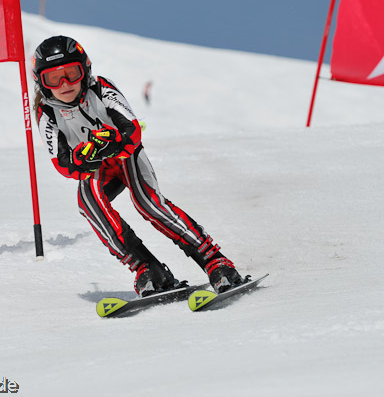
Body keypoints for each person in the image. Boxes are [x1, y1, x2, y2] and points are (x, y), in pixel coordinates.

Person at [32, 35, 244, 297]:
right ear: (41, 82)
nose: (64, 84)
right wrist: (83, 158)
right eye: (53, 79)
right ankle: (149, 269)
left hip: (125, 155)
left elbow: (131, 130)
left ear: (85, 70)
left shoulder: (100, 88)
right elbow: (64, 164)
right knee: (88, 202)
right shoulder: (46, 111)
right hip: (96, 165)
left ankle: (214, 261)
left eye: (71, 74)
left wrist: (113, 141)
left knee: (147, 202)